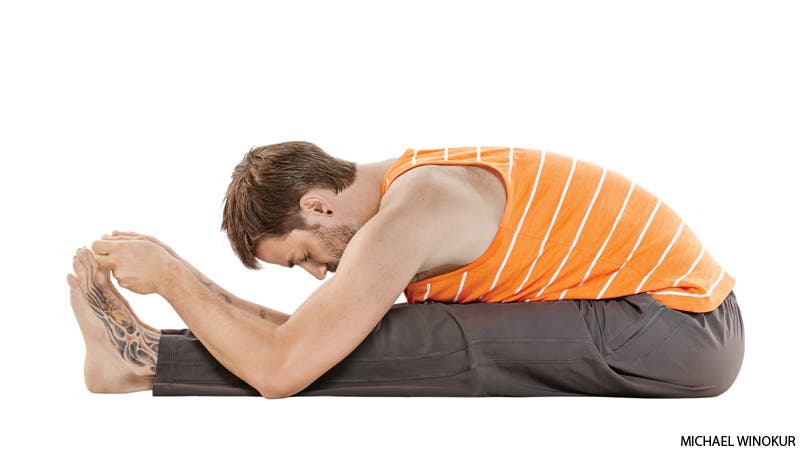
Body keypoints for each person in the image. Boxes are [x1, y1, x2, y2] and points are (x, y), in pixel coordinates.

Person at [67, 142, 744, 398]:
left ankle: (146, 362)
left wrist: (173, 277)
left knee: (435, 342)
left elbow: (281, 369)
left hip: (679, 328)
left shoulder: (411, 215)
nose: (315, 275)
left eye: (303, 256)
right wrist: (187, 286)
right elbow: (304, 339)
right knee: (350, 337)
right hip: (661, 322)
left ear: (318, 205)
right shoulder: (405, 189)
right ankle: (145, 356)